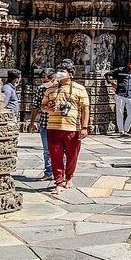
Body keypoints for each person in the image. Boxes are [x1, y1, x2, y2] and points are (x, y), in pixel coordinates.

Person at [41, 61, 90, 192]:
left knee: (72, 155)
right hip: (53, 127)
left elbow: (85, 108)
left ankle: (69, 177)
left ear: (70, 74)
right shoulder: (50, 89)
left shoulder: (80, 89)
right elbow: (43, 106)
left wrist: (84, 127)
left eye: (63, 71)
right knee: (55, 155)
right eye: (58, 71)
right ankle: (59, 180)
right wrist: (47, 108)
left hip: (72, 127)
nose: (59, 73)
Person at [106, 57, 131, 136]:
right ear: (128, 64)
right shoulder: (120, 70)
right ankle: (121, 131)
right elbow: (107, 74)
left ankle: (126, 129)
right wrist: (111, 82)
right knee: (120, 113)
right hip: (120, 94)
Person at [30, 68, 54, 179]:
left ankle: (59, 171)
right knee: (46, 149)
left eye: (46, 81)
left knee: (59, 149)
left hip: (58, 123)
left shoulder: (59, 88)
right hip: (45, 123)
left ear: (52, 79)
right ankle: (48, 171)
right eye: (42, 81)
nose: (44, 83)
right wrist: (32, 122)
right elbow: (35, 106)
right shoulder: (41, 89)